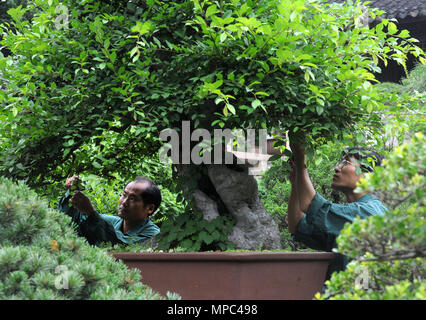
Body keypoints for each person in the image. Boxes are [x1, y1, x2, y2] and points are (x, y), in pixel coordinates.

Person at [287, 142, 387, 281]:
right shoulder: (346, 218)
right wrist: (296, 182)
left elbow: (309, 205)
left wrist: (300, 156)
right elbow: (297, 225)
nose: (336, 168)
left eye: (346, 163)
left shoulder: (369, 211)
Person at [58, 176, 161, 246]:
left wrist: (91, 213)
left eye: (132, 198)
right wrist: (72, 193)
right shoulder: (110, 221)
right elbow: (71, 222)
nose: (124, 202)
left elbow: (120, 246)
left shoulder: (153, 234)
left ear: (150, 208)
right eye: (124, 195)